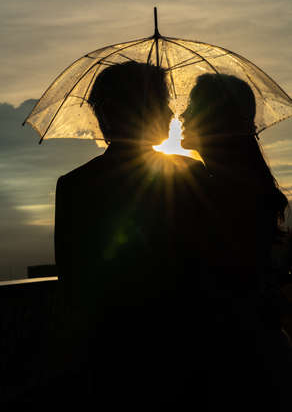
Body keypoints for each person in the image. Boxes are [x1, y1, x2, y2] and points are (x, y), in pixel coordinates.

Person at [54, 61, 209, 407]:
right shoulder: (191, 175)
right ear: (138, 109)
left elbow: (71, 277)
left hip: (108, 350)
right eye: (161, 100)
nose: (172, 111)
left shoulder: (74, 186)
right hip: (182, 346)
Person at [181, 73, 291, 410]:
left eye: (191, 107)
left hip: (233, 360)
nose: (181, 116)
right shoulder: (243, 183)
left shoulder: (210, 189)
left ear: (215, 117)